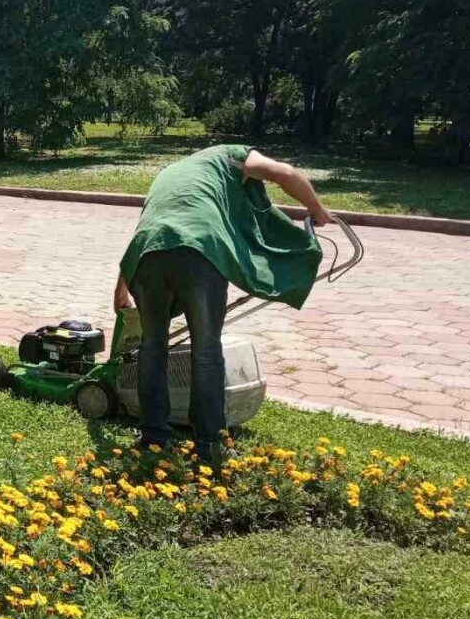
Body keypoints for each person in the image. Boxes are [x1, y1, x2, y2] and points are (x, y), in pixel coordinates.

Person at [114, 145, 332, 461]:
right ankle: (208, 446)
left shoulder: (171, 173)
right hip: (201, 249)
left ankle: (153, 439)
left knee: (152, 346)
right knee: (206, 350)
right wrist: (316, 209)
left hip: (146, 256)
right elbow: (284, 172)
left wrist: (120, 289)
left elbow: (149, 230)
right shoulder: (233, 154)